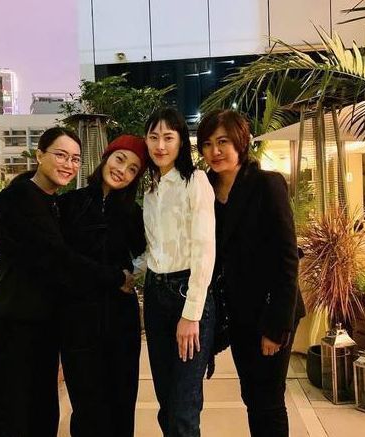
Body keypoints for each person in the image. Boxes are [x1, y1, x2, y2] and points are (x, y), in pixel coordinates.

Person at [0, 126, 133, 437]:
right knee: (10, 420)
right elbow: (58, 258)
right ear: (39, 155)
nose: (68, 164)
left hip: (43, 331)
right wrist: (116, 277)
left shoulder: (55, 204)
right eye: (60, 155)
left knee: (41, 418)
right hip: (13, 329)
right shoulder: (18, 198)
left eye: (75, 159)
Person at [197, 110, 305, 437]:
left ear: (240, 143)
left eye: (223, 142)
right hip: (238, 313)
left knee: (268, 400)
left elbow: (287, 258)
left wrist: (275, 325)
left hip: (271, 310)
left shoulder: (267, 184)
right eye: (207, 144)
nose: (215, 151)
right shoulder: (204, 190)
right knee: (251, 395)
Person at [57, 135, 148, 437]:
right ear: (106, 157)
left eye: (133, 169)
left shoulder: (134, 213)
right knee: (87, 407)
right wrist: (113, 276)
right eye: (120, 159)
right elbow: (61, 260)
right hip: (78, 320)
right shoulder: (70, 204)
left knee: (121, 403)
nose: (122, 170)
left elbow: (152, 251)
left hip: (121, 321)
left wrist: (133, 273)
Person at [140, 107, 216, 437]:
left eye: (168, 137)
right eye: (154, 137)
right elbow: (152, 249)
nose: (160, 145)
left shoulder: (195, 182)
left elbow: (204, 249)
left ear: (181, 142)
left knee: (184, 407)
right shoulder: (150, 190)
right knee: (166, 403)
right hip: (155, 294)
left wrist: (191, 314)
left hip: (187, 294)